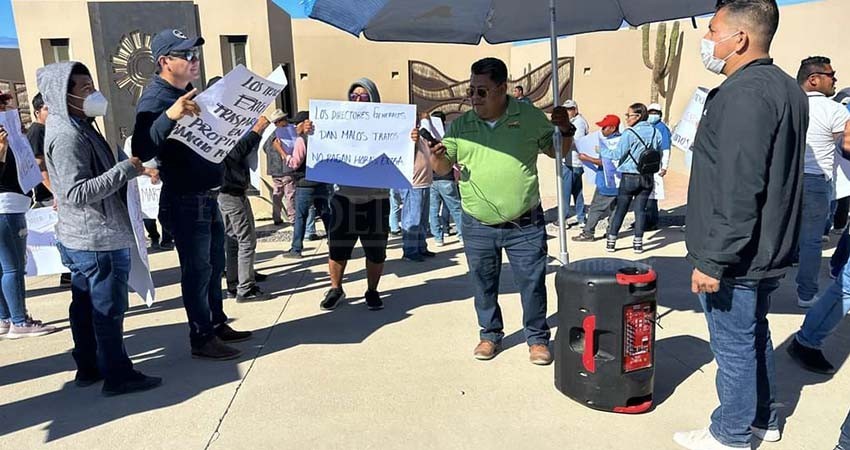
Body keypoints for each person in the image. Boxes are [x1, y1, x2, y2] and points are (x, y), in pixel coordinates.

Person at [675, 1, 809, 448]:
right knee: (753, 336)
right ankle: (764, 419)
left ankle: (730, 432)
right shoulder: (786, 87)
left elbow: (740, 184)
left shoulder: (744, 93)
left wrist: (713, 259)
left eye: (713, 30)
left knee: (733, 347)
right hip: (765, 247)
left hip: (739, 254)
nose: (707, 40)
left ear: (740, 38)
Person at [427, 57, 575, 365]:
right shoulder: (462, 125)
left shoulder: (530, 116)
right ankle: (489, 335)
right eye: (471, 91)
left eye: (482, 91)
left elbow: (556, 151)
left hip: (525, 224)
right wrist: (437, 156)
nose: (474, 98)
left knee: (532, 283)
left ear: (502, 88)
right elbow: (441, 169)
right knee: (482, 283)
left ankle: (536, 338)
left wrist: (565, 129)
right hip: (477, 223)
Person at [37, 61, 160, 395]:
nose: (94, 93)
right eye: (85, 88)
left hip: (88, 236)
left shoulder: (80, 126)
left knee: (85, 305)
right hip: (95, 238)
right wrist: (126, 170)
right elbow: (77, 193)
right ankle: (117, 375)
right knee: (107, 309)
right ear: (64, 95)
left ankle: (89, 366)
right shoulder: (67, 136)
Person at [133, 29, 251, 361]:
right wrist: (170, 115)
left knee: (214, 265)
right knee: (197, 270)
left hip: (206, 194)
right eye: (186, 55)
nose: (194, 60)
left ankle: (215, 323)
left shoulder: (188, 91)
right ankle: (201, 336)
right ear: (164, 61)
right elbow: (142, 147)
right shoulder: (156, 98)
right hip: (185, 199)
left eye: (195, 54)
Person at [316, 78, 398, 312]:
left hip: (377, 199)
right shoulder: (338, 123)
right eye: (354, 96)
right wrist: (312, 133)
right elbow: (321, 148)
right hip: (344, 197)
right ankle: (335, 288)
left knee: (376, 251)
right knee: (338, 248)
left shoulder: (388, 126)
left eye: (363, 95)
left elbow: (402, 156)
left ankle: (372, 291)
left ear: (373, 98)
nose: (358, 99)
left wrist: (409, 139)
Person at [206, 75, 274, 303]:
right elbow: (233, 153)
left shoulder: (217, 120)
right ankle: (245, 288)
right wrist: (256, 131)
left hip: (228, 190)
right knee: (246, 240)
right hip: (230, 190)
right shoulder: (218, 123)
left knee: (234, 239)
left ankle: (235, 284)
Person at [793, 57, 850, 309]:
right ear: (813, 79)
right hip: (815, 182)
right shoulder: (834, 110)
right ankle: (806, 294)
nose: (834, 79)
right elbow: (845, 146)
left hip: (782, 182)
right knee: (811, 240)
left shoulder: (786, 104)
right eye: (831, 74)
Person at [0, 91, 57, 339]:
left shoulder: (10, 132)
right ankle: (20, 321)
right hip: (6, 206)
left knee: (4, 268)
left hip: (11, 203)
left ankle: (5, 318)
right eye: (2, 105)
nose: (7, 108)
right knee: (13, 268)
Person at [600, 103, 661, 254]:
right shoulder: (655, 132)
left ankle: (611, 241)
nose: (626, 118)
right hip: (647, 177)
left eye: (629, 115)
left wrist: (601, 150)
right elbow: (658, 152)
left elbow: (616, 155)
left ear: (638, 116)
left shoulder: (629, 133)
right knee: (640, 211)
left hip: (629, 177)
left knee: (621, 209)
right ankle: (638, 244)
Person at [282, 111, 332, 259]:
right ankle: (333, 243)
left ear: (304, 124)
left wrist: (285, 155)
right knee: (325, 213)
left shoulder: (301, 140)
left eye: (296, 124)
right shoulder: (322, 139)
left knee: (301, 216)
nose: (294, 127)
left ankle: (296, 249)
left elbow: (295, 163)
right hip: (321, 182)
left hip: (305, 183)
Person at [572, 114, 621, 242]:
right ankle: (611, 232)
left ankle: (588, 233)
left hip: (607, 182)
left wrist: (586, 158)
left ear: (612, 128)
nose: (602, 130)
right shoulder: (620, 140)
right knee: (615, 208)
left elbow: (606, 162)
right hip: (618, 183)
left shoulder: (613, 143)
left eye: (604, 127)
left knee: (596, 208)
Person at [400, 113, 435, 262]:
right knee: (412, 219)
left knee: (422, 219)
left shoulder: (423, 136)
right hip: (413, 184)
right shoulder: (406, 137)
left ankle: (421, 246)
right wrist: (411, 140)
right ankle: (410, 250)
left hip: (425, 182)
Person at [427, 112, 463, 246]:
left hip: (432, 178)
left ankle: (438, 238)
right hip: (446, 178)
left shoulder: (429, 136)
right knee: (456, 208)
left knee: (433, 210)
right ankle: (461, 236)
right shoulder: (448, 135)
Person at [643, 102, 672, 231]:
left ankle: (652, 221)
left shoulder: (662, 129)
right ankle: (645, 220)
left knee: (652, 196)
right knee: (644, 194)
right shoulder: (645, 126)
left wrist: (664, 166)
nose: (652, 115)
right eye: (650, 113)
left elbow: (665, 149)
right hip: (643, 166)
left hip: (655, 165)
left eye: (655, 113)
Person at [266, 114, 297, 226]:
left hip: (274, 168)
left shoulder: (269, 134)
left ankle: (276, 216)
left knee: (277, 193)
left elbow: (265, 149)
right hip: (285, 167)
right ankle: (292, 218)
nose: (286, 121)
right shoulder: (287, 132)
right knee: (290, 193)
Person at [562, 99, 587, 227]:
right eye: (566, 109)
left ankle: (564, 218)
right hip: (572, 161)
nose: (567, 112)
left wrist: (562, 141)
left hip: (573, 162)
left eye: (570, 109)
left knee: (566, 192)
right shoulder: (572, 122)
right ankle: (581, 217)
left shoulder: (579, 123)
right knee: (577, 191)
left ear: (575, 110)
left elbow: (577, 141)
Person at [26, 92, 54, 207]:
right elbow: (40, 167)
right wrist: (55, 193)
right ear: (37, 112)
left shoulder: (49, 129)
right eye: (47, 109)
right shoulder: (37, 132)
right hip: (48, 196)